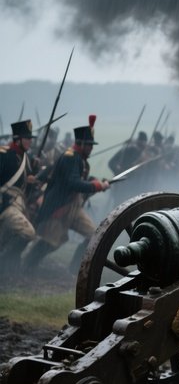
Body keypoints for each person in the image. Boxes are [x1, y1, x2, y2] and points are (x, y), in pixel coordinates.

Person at [22, 116, 110, 271]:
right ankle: (28, 265)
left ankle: (75, 269)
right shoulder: (71, 157)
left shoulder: (78, 158)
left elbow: (75, 178)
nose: (91, 148)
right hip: (60, 206)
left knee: (93, 235)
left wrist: (95, 182)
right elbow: (73, 182)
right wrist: (96, 186)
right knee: (52, 242)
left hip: (73, 206)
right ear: (81, 143)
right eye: (89, 145)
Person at [0, 120, 38, 277]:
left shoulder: (26, 159)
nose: (30, 141)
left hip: (18, 205)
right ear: (17, 139)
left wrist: (31, 181)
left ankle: (6, 268)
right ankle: (5, 263)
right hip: (5, 205)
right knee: (28, 233)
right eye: (27, 138)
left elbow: (24, 190)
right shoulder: (4, 155)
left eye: (30, 138)